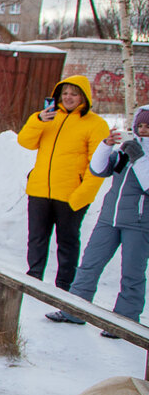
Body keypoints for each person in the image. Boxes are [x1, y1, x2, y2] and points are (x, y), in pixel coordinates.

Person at [47, 106, 149, 335]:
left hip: (139, 222)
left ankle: (125, 322)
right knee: (89, 264)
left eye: (148, 127)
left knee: (132, 272)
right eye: (140, 126)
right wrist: (107, 145)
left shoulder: (138, 153)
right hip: (109, 218)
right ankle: (74, 310)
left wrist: (139, 158)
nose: (143, 131)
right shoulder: (128, 148)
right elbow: (98, 169)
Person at [17, 76, 109, 290]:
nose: (68, 97)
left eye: (74, 94)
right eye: (65, 93)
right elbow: (25, 141)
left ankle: (64, 285)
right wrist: (38, 120)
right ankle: (34, 277)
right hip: (40, 190)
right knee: (37, 238)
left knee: (67, 242)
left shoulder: (96, 124)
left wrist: (83, 194)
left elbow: (97, 164)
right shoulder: (47, 117)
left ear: (83, 98)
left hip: (70, 194)